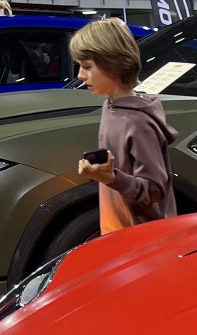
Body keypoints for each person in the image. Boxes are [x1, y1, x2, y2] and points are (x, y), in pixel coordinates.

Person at [71, 18, 177, 237]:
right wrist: (100, 173)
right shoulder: (110, 106)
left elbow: (154, 190)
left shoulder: (138, 122)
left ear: (113, 63)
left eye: (87, 67)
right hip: (118, 233)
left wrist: (111, 178)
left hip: (144, 239)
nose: (80, 75)